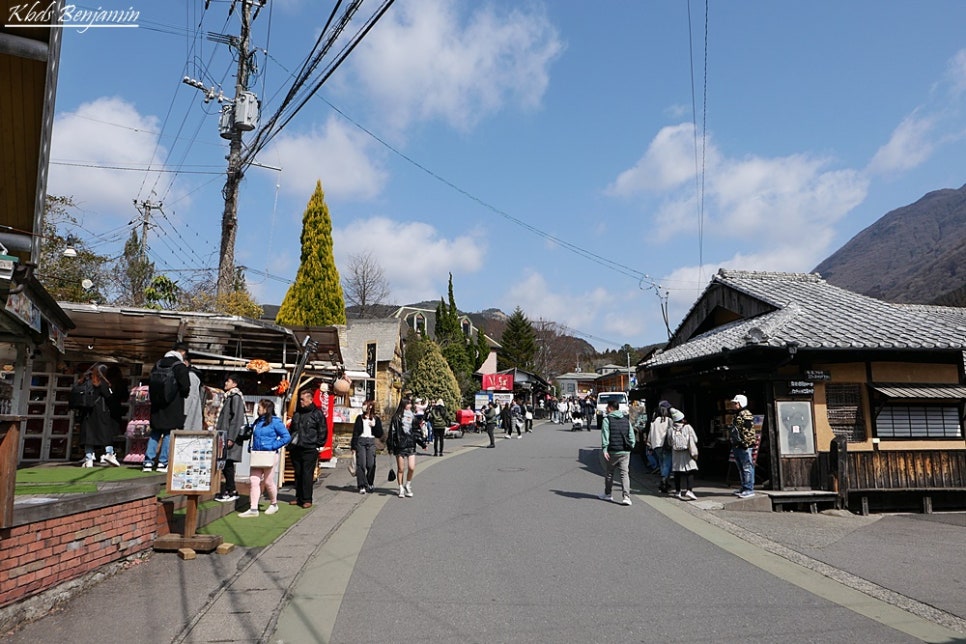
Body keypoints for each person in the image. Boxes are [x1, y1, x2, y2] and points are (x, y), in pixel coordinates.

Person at [238, 399, 290, 518]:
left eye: (260, 407)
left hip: (270, 455)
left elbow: (286, 437)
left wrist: (273, 446)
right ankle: (253, 508)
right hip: (257, 454)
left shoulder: (276, 422)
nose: (258, 409)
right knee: (254, 480)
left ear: (267, 409)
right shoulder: (257, 422)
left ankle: (273, 503)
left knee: (268, 481)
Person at [145, 342, 191, 473]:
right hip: (173, 404)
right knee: (168, 433)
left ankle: (147, 462)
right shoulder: (179, 366)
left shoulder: (158, 364)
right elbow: (185, 386)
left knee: (155, 432)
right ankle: (162, 462)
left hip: (156, 404)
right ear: (182, 353)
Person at [288, 388, 327, 508]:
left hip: (310, 447)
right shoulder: (298, 413)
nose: (301, 402)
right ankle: (298, 497)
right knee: (298, 473)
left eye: (303, 400)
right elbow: (293, 429)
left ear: (310, 400)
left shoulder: (317, 413)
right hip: (296, 447)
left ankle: (307, 498)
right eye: (300, 399)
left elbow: (323, 430)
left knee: (307, 474)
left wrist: (318, 444)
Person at [78, 365, 122, 467]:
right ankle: (109, 453)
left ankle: (89, 459)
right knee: (106, 433)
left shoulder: (85, 382)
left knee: (88, 436)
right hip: (101, 412)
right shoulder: (102, 383)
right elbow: (109, 398)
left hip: (87, 413)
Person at [214, 373, 245, 503]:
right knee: (226, 463)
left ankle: (231, 490)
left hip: (229, 436)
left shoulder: (235, 397)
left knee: (228, 463)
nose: (226, 383)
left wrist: (231, 437)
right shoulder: (229, 397)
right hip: (225, 435)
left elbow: (236, 419)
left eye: (228, 381)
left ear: (235, 384)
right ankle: (229, 490)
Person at [599, 399, 635, 505]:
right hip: (625, 451)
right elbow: (631, 436)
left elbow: (605, 436)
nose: (606, 409)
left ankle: (608, 494)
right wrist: (631, 446)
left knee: (610, 473)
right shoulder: (626, 420)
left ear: (610, 408)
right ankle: (626, 497)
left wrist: (605, 449)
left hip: (613, 451)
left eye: (607, 407)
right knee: (624, 474)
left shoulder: (607, 420)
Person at [387, 397, 425, 497]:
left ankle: (408, 484)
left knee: (411, 467)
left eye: (410, 404)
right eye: (408, 404)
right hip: (400, 445)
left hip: (411, 444)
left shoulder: (413, 417)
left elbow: (417, 431)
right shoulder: (396, 417)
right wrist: (390, 446)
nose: (410, 406)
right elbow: (392, 432)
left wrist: (422, 443)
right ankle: (401, 488)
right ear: (403, 405)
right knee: (401, 468)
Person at [351, 400, 383, 493]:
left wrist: (374, 425)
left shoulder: (376, 419)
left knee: (371, 464)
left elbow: (380, 433)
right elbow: (355, 433)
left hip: (371, 441)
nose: (363, 407)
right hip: (361, 441)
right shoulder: (359, 418)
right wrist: (353, 447)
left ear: (370, 407)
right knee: (361, 464)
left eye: (365, 405)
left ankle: (370, 483)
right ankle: (362, 485)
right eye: (363, 405)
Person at [729, 394, 757, 498]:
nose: (733, 405)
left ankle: (749, 489)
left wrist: (746, 444)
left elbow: (748, 431)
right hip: (737, 445)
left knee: (746, 467)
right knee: (741, 467)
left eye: (735, 403)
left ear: (741, 403)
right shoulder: (738, 414)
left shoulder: (746, 414)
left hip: (744, 445)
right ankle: (744, 487)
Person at [668, 408, 699, 501]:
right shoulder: (688, 427)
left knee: (677, 472)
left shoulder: (670, 429)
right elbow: (695, 439)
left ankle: (678, 491)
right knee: (690, 471)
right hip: (687, 452)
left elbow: (669, 443)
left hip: (676, 453)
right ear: (682, 419)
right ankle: (689, 490)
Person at [648, 401, 674, 493]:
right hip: (666, 445)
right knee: (667, 463)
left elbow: (650, 434)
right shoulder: (669, 421)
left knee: (662, 463)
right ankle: (664, 481)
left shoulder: (654, 421)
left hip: (656, 445)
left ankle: (665, 482)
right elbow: (671, 434)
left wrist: (650, 446)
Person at [182, 359, 204, 431]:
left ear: (186, 362)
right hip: (189, 411)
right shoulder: (188, 375)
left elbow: (189, 396)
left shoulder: (190, 375)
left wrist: (183, 413)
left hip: (189, 413)